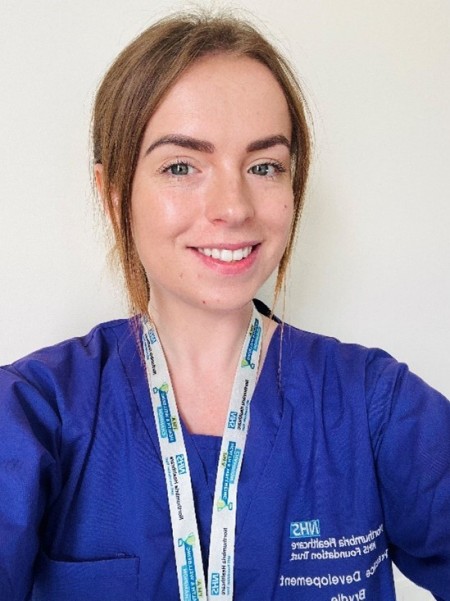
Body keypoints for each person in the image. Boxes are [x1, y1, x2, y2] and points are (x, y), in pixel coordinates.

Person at [0, 10, 449, 601]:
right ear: (113, 197)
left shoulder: (374, 405)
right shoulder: (35, 414)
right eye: (182, 166)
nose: (234, 207)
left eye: (264, 166)